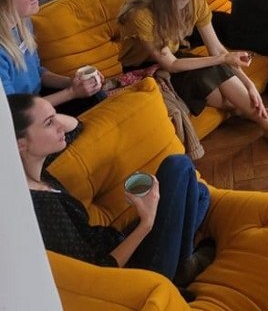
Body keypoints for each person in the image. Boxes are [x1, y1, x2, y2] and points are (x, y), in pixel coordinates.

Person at [10, 93, 213, 293]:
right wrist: (146, 223)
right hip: (129, 276)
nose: (59, 125)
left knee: (201, 193)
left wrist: (52, 108)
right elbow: (99, 272)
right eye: (48, 123)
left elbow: (76, 126)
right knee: (178, 165)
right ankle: (183, 264)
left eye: (56, 117)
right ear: (19, 143)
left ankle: (179, 264)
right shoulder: (39, 207)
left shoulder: (37, 172)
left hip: (114, 243)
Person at [117, 0, 268, 151]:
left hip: (174, 56)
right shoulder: (142, 16)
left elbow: (217, 49)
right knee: (219, 92)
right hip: (143, 69)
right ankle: (242, 111)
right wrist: (221, 59)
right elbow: (171, 64)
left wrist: (250, 85)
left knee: (219, 74)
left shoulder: (195, 2)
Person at [0, 0, 104, 116]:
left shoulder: (24, 22)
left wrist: (75, 83)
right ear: (5, 1)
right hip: (22, 118)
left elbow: (39, 72)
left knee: (96, 95)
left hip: (39, 98)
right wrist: (71, 93)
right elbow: (12, 112)